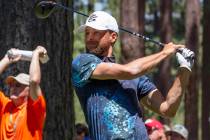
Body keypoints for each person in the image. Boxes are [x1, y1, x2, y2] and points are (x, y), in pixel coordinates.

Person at [71, 11, 194, 139]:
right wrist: (164, 53)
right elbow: (130, 71)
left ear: (113, 36)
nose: (90, 37)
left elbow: (167, 109)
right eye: (87, 33)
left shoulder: (137, 79)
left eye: (96, 32)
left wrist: (185, 68)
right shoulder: (81, 63)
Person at [0, 46, 47, 140]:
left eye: (18, 85)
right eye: (11, 85)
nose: (13, 88)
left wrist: (35, 54)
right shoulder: (5, 105)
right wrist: (7, 58)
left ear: (29, 90)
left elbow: (34, 81)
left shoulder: (34, 109)